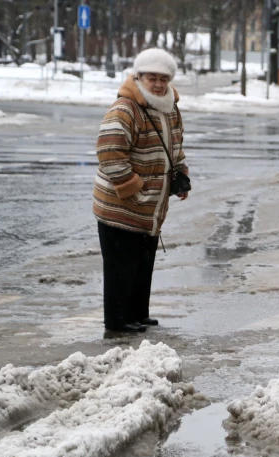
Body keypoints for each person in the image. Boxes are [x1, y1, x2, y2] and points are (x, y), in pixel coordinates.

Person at [93, 48, 189, 333]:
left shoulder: (169, 107)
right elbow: (109, 150)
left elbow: (176, 148)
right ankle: (118, 320)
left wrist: (181, 175)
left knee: (141, 263)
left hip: (149, 207)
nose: (158, 84)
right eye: (152, 78)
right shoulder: (125, 108)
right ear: (139, 77)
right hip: (120, 206)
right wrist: (131, 187)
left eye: (163, 78)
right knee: (121, 266)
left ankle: (137, 313)